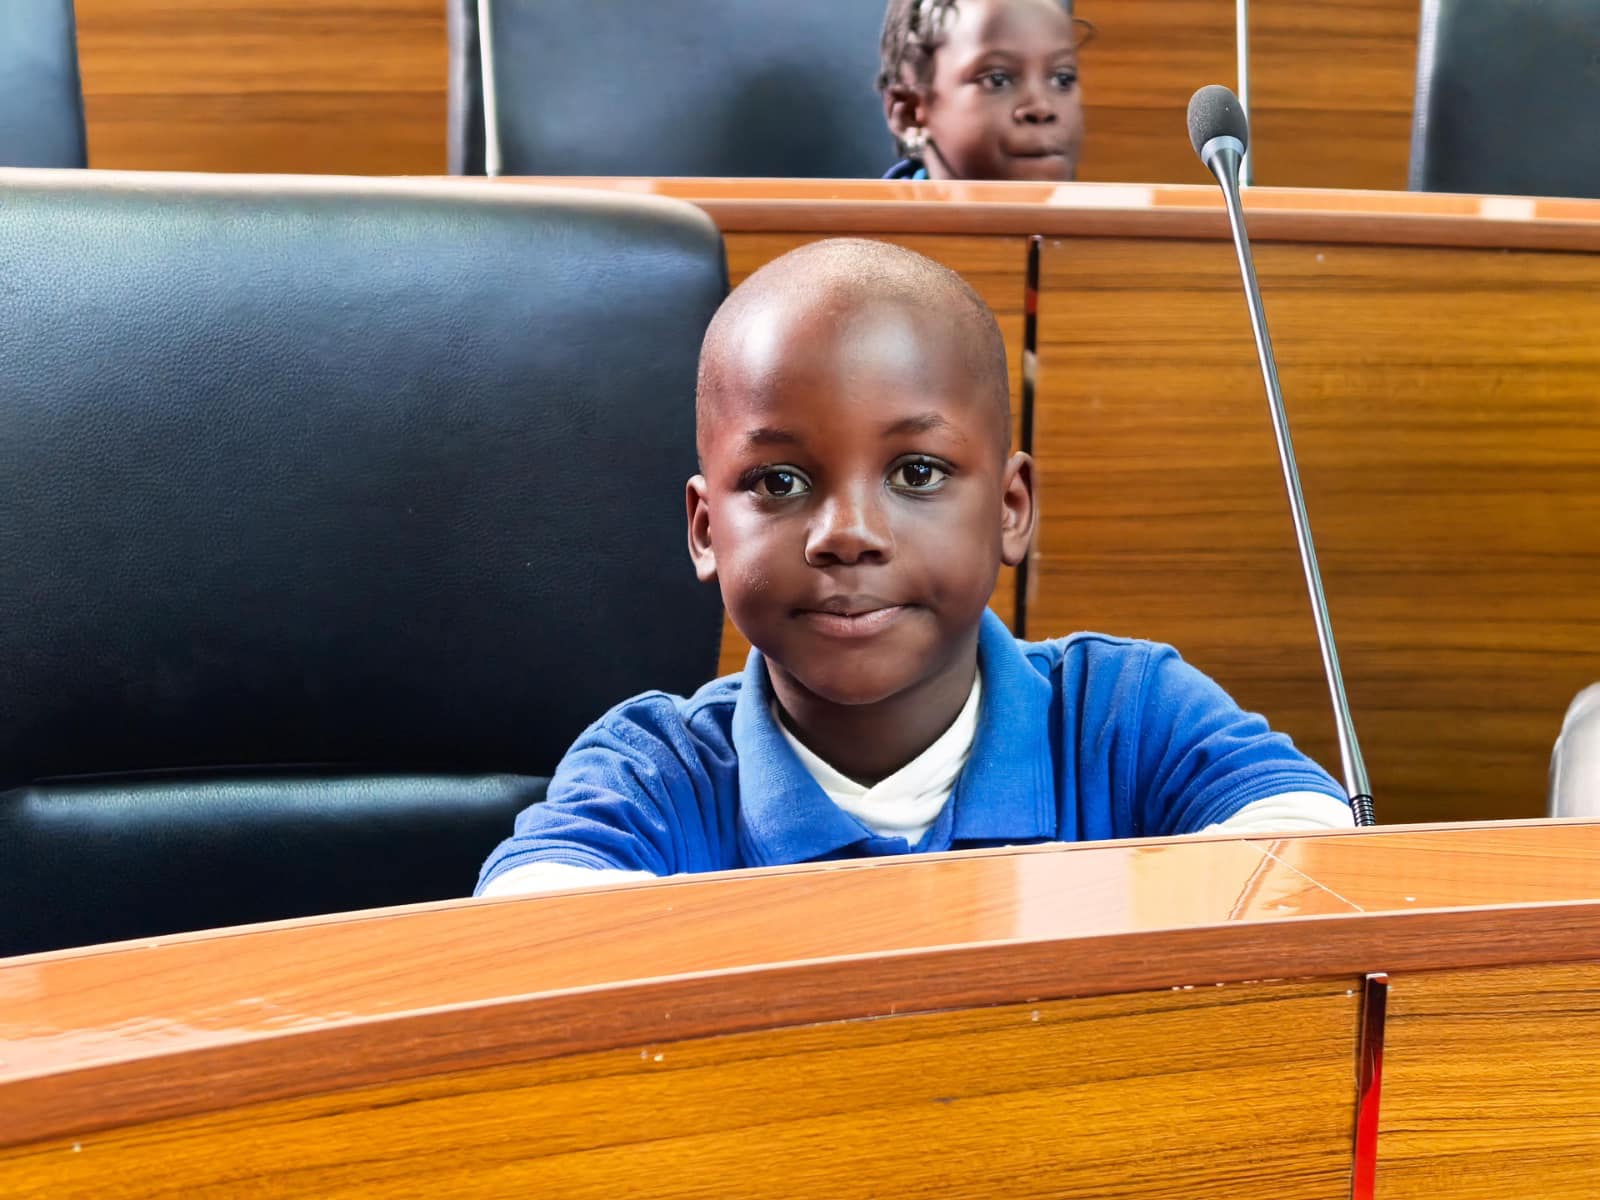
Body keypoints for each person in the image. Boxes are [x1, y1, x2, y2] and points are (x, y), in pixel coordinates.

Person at [477, 239, 1352, 898]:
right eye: (779, 482)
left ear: (1009, 508)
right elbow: (529, 926)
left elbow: (1319, 858)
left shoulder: (1126, 714)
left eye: (917, 473)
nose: (849, 535)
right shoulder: (654, 771)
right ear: (706, 530)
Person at [878, 0, 1090, 181]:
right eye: (998, 80)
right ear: (910, 114)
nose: (1042, 108)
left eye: (1063, 79)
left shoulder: (1096, 214)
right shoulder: (877, 217)